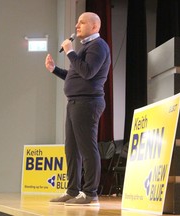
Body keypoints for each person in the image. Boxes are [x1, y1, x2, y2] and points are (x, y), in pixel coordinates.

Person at [45, 12, 111, 205]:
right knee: (71, 149)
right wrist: (54, 69)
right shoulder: (86, 47)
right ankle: (72, 190)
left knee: (87, 149)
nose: (76, 26)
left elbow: (88, 72)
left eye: (81, 22)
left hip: (87, 103)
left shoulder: (98, 46)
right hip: (75, 102)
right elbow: (75, 75)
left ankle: (90, 193)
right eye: (77, 22)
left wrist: (70, 52)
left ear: (95, 27)